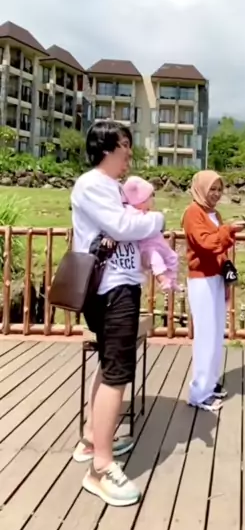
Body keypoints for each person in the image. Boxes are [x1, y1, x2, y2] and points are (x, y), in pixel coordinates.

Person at [70, 120, 165, 507]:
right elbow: (124, 226)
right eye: (125, 144)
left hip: (118, 286)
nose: (129, 152)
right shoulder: (92, 184)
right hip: (111, 290)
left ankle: (93, 440)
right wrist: (156, 220)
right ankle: (101, 469)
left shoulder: (111, 187)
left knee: (109, 365)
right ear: (107, 147)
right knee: (117, 373)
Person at [182, 170, 245, 410]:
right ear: (201, 189)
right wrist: (229, 230)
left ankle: (209, 383)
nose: (217, 194)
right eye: (212, 189)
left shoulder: (214, 213)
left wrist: (226, 275)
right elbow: (206, 243)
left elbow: (219, 247)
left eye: (220, 189)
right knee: (205, 336)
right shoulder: (193, 213)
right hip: (201, 279)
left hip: (216, 278)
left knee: (216, 333)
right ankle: (199, 393)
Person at [122, 175, 179, 292]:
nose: (152, 200)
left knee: (172, 257)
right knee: (156, 260)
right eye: (150, 197)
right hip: (148, 246)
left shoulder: (148, 214)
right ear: (141, 200)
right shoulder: (130, 213)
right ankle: (163, 280)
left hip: (158, 242)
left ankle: (172, 280)